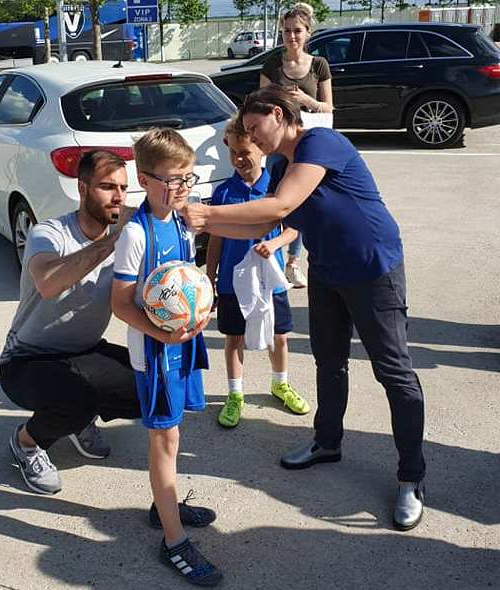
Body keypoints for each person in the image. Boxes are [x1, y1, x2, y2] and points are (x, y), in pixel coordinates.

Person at [180, 86, 426, 532]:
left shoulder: (320, 142)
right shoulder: (279, 164)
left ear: (278, 114)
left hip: (373, 268)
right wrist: (207, 226)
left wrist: (208, 216)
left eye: (255, 126)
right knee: (328, 362)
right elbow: (266, 221)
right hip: (327, 271)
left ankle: (411, 476)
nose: (253, 136)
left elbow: (284, 203)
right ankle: (326, 442)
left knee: (393, 371)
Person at [111, 128, 221, 587]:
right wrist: (162, 333)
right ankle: (173, 542)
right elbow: (120, 303)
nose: (181, 187)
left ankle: (165, 508)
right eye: (172, 179)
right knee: (165, 439)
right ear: (144, 179)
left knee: (174, 432)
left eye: (186, 178)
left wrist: (202, 306)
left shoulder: (180, 222)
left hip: (179, 342)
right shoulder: (135, 235)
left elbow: (184, 283)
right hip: (154, 353)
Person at [0, 150, 142, 496]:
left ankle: (78, 419)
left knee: (149, 383)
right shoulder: (49, 233)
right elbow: (48, 282)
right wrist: (113, 241)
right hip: (27, 360)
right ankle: (27, 443)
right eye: (107, 187)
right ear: (82, 188)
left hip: (84, 351)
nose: (118, 197)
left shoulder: (129, 237)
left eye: (123, 188)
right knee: (78, 396)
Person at [206, 115, 310, 430]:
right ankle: (235, 394)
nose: (239, 159)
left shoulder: (277, 188)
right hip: (232, 283)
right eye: (232, 152)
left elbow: (293, 228)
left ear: (261, 148)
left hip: (270, 282)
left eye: (245, 152)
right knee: (233, 338)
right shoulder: (224, 192)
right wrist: (210, 278)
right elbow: (215, 239)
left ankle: (280, 384)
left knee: (278, 337)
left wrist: (275, 243)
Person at [260, 2, 333, 289]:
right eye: (287, 31)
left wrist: (306, 100)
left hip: (308, 145)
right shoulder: (272, 65)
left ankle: (293, 261)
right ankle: (272, 259)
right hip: (279, 145)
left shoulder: (318, 65)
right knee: (275, 199)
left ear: (308, 33)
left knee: (302, 202)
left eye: (297, 31)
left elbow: (328, 108)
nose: (292, 36)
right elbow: (261, 103)